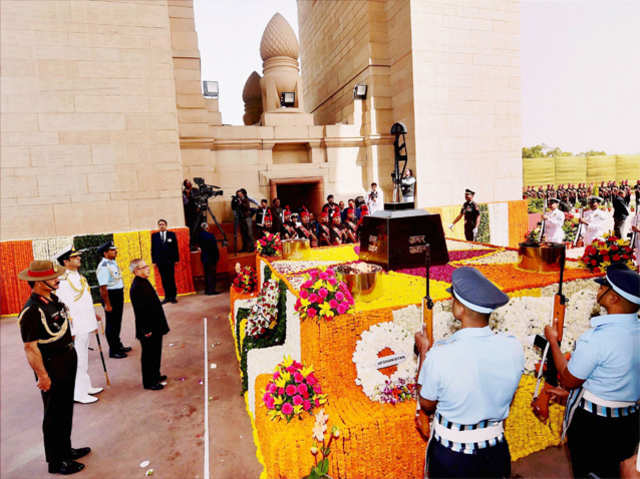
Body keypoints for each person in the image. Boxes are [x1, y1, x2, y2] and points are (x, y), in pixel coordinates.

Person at [415, 267, 524, 478]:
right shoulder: (513, 347)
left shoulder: (441, 354)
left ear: (460, 309)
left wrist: (423, 352)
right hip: (495, 449)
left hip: (452, 455)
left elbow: (427, 403)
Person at [543, 265, 640, 478]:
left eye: (603, 287)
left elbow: (568, 379)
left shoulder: (597, 338)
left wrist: (553, 341)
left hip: (595, 427)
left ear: (614, 298)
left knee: (589, 472)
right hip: (629, 422)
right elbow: (617, 378)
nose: (598, 290)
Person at [17, 260, 91, 475]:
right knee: (54, 414)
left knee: (65, 408)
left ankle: (66, 450)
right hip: (51, 366)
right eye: (52, 277)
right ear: (39, 282)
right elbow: (30, 348)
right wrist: (42, 376)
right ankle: (56, 461)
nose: (57, 279)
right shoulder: (32, 310)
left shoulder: (53, 300)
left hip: (66, 359)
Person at [56, 247, 103, 405]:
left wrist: (92, 316)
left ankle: (86, 386)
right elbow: (65, 305)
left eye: (78, 256)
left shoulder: (78, 276)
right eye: (74, 257)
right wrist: (71, 329)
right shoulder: (63, 280)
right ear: (66, 261)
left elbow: (83, 299)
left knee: (83, 358)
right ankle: (78, 393)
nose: (79, 259)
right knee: (77, 359)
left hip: (85, 322)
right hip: (76, 326)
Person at [129, 259, 170, 391]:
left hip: (155, 325)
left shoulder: (143, 282)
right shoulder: (136, 287)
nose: (148, 269)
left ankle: (156, 375)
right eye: (144, 267)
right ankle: (149, 381)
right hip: (147, 327)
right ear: (136, 271)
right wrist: (146, 329)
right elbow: (140, 311)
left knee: (156, 351)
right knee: (149, 354)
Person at [96, 241, 130, 359]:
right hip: (110, 296)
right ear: (105, 253)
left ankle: (118, 344)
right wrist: (107, 304)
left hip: (117, 294)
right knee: (112, 324)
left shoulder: (112, 262)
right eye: (112, 250)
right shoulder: (104, 267)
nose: (116, 251)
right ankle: (113, 350)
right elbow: (103, 289)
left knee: (117, 322)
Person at [151, 219, 179, 304]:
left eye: (163, 224)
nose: (161, 226)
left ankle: (173, 297)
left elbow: (175, 248)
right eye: (159, 224)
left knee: (171, 279)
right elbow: (153, 249)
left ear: (166, 225)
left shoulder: (171, 234)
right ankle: (167, 297)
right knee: (164, 280)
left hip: (170, 261)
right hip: (160, 262)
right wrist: (154, 261)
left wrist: (176, 259)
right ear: (158, 226)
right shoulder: (154, 236)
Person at [198, 222, 220, 295]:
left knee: (206, 274)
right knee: (212, 274)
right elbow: (214, 248)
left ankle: (207, 290)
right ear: (207, 228)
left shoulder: (199, 236)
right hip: (211, 257)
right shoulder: (211, 236)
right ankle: (211, 290)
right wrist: (217, 257)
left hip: (204, 257)